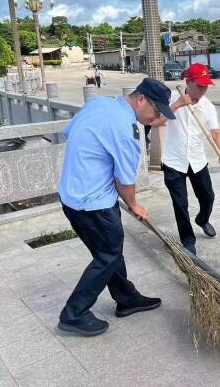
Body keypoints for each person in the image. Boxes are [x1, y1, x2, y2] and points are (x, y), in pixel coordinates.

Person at [57, 78, 176, 336]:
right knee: (108, 255)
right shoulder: (126, 129)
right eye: (156, 111)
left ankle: (126, 298)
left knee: (110, 250)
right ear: (141, 99)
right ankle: (74, 313)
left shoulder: (99, 104)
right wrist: (134, 204)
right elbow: (124, 179)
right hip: (93, 203)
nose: (156, 118)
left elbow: (70, 133)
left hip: (71, 195)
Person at [154, 63, 220, 255]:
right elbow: (156, 122)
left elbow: (216, 133)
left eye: (206, 86)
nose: (203, 90)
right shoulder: (171, 98)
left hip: (197, 160)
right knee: (180, 204)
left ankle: (202, 219)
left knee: (208, 197)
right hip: (174, 161)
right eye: (199, 85)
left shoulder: (207, 107)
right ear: (188, 82)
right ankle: (188, 240)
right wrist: (177, 105)